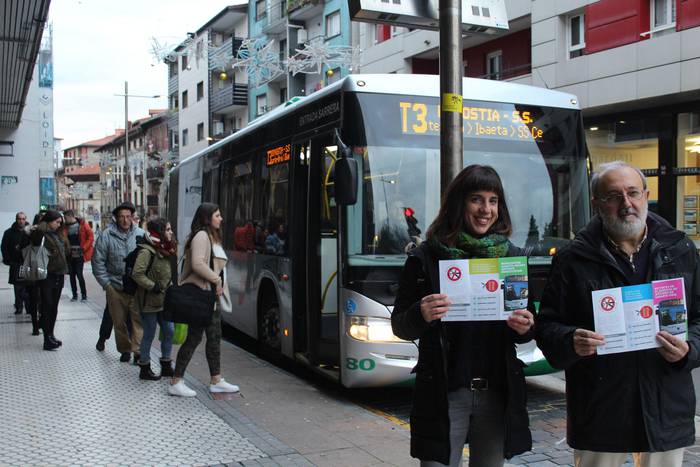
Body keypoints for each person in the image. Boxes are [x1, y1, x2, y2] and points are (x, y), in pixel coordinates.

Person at [534, 161, 700, 467]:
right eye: (613, 196)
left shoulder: (680, 250)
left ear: (646, 195)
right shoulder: (573, 258)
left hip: (665, 406)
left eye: (633, 193)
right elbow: (546, 325)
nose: (627, 204)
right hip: (600, 409)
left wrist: (689, 349)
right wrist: (571, 340)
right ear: (597, 203)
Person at [391, 165, 534, 466]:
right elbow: (401, 325)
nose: (486, 209)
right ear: (459, 203)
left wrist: (526, 326)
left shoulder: (511, 257)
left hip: (496, 392)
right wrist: (421, 313)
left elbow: (527, 325)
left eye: (493, 200)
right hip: (445, 393)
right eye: (476, 199)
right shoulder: (426, 257)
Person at [168, 202, 238, 397]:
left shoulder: (210, 236)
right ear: (207, 218)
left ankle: (216, 379)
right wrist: (216, 280)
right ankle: (176, 381)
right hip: (202, 295)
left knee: (214, 337)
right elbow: (198, 264)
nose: (221, 219)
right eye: (217, 215)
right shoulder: (201, 236)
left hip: (209, 297)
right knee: (195, 337)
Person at [92, 201, 145, 362]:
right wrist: (106, 285)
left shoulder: (141, 234)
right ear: (116, 218)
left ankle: (137, 352)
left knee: (137, 322)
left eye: (128, 216)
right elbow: (97, 262)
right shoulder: (106, 235)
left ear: (132, 218)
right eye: (121, 217)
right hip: (114, 286)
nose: (125, 220)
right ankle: (124, 350)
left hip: (136, 286)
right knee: (119, 322)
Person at [132, 218, 176, 381]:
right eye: (168, 229)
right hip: (149, 302)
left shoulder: (165, 249)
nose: (171, 232)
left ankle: (166, 365)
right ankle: (144, 368)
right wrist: (153, 286)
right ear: (159, 232)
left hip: (164, 301)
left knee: (169, 331)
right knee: (149, 334)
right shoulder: (147, 251)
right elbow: (137, 274)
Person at [30, 210, 70, 351]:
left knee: (53, 307)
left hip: (58, 274)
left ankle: (51, 334)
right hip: (46, 274)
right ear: (49, 221)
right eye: (56, 222)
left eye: (60, 222)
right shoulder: (41, 233)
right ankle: (47, 338)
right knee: (47, 305)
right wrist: (35, 228)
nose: (59, 224)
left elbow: (65, 251)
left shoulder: (58, 234)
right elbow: (31, 241)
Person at [1, 212, 31, 315]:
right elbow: (4, 247)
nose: (21, 221)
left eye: (23, 219)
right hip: (16, 263)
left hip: (28, 263)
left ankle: (29, 308)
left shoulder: (30, 232)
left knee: (28, 286)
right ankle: (18, 307)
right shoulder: (9, 233)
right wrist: (8, 259)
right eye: (19, 219)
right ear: (16, 219)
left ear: (25, 219)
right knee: (18, 287)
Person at [62, 209, 94, 302]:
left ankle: (84, 295)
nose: (64, 219)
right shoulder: (65, 227)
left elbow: (90, 237)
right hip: (70, 254)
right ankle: (74, 295)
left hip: (80, 254)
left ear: (70, 216)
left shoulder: (83, 224)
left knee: (79, 275)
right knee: (72, 275)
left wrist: (83, 248)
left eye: (65, 217)